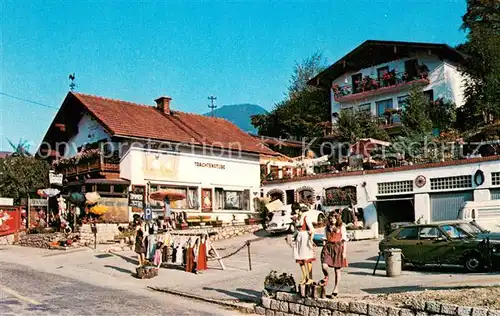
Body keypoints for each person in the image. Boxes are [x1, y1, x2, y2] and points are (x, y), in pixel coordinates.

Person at [320, 212, 348, 297]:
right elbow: (324, 239)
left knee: (337, 270)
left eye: (334, 218)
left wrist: (344, 252)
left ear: (337, 218)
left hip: (338, 248)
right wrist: (324, 249)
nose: (333, 220)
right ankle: (326, 276)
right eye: (331, 218)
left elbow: (344, 240)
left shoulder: (341, 227)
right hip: (328, 248)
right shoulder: (326, 228)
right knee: (324, 265)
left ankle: (336, 289)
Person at [293, 204, 315, 285]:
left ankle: (310, 278)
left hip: (305, 238)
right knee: (300, 259)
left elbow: (312, 229)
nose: (296, 211)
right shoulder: (296, 219)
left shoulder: (305, 217)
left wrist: (311, 239)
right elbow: (295, 231)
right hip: (299, 239)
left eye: (297, 209)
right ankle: (305, 277)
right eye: (294, 210)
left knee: (307, 258)